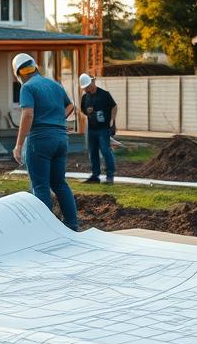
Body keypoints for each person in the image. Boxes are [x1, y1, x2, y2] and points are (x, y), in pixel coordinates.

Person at [11, 53, 79, 231]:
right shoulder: (54, 84)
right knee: (59, 183)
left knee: (40, 186)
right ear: (35, 67)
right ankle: (72, 225)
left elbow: (28, 114)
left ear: (19, 73)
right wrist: (56, 120)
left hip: (40, 140)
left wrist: (18, 145)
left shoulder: (27, 87)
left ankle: (46, 230)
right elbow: (70, 106)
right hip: (60, 139)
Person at [78, 73, 118, 185]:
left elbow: (114, 107)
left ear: (92, 83)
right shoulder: (85, 97)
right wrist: (88, 112)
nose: (86, 89)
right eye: (84, 88)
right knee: (93, 152)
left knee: (105, 151)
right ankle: (95, 176)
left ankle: (110, 176)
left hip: (103, 129)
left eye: (87, 87)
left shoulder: (104, 95)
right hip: (91, 129)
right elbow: (83, 110)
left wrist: (112, 121)